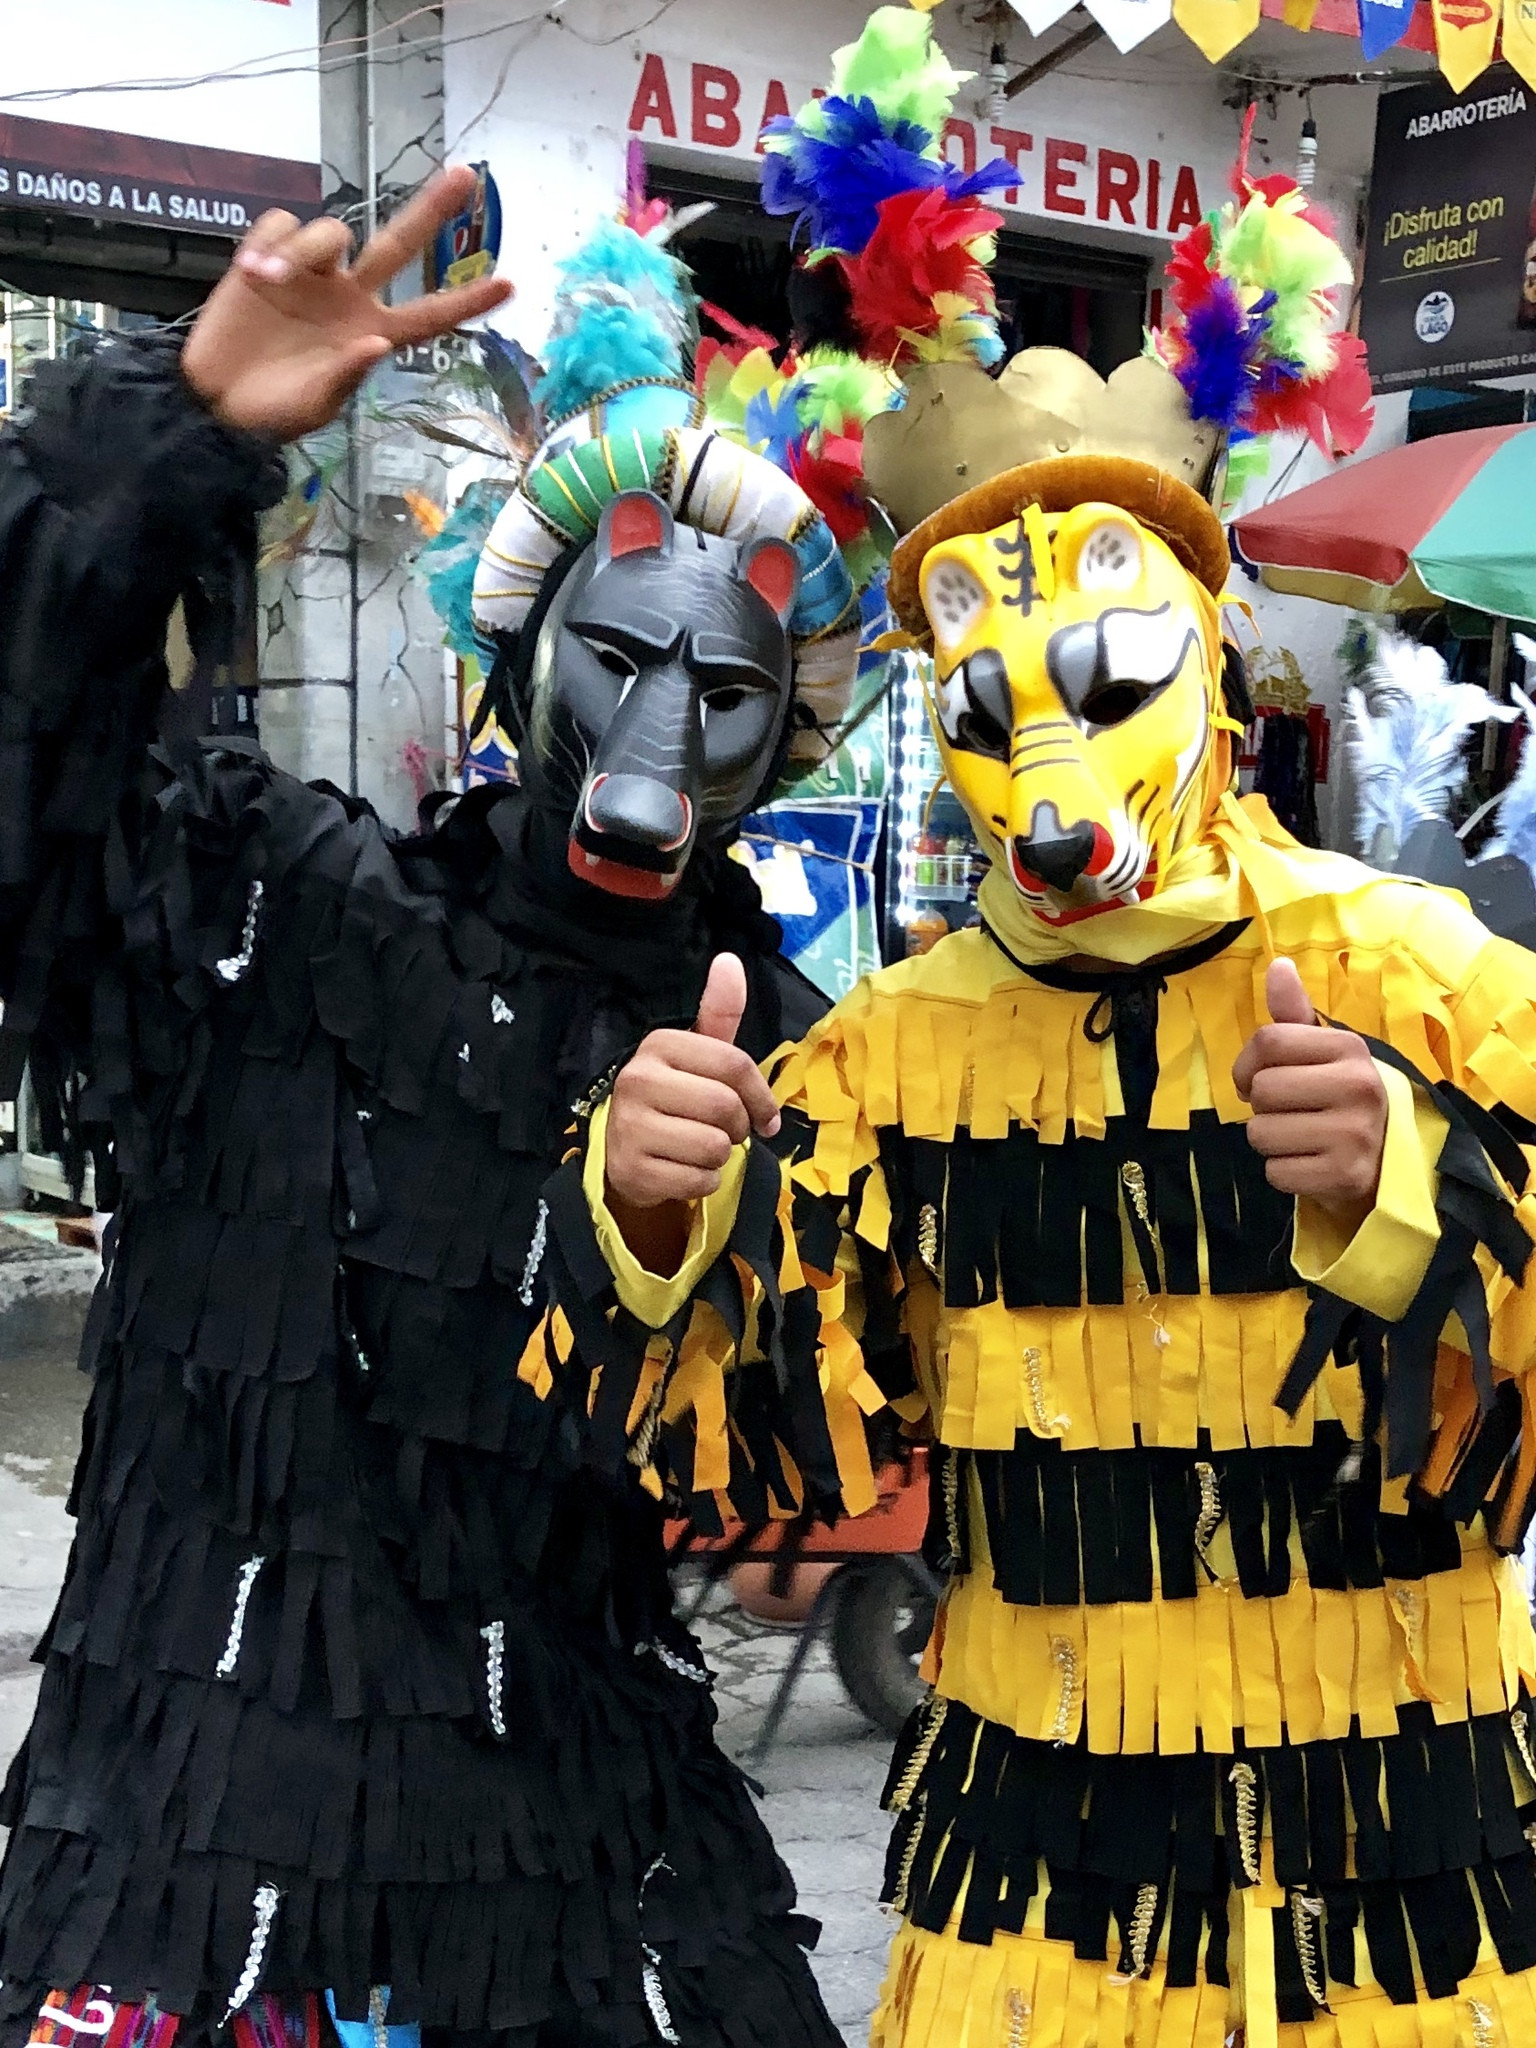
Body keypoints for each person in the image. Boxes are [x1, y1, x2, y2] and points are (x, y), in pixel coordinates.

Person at [544, 79, 1536, 2048]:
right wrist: (657, 1221)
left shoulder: (1427, 974)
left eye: (1106, 681)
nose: (1053, 789)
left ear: (1209, 652)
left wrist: (1413, 1194)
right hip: (1044, 1914)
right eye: (991, 705)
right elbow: (777, 1468)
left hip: (1407, 1893)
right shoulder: (888, 1057)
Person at [0, 166, 881, 2048]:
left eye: (726, 687)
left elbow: (798, 1463)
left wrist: (662, 1234)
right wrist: (163, 451)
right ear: (524, 646)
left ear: (780, 739)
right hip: (190, 1850)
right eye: (623, 654)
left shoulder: (786, 1062)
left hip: (583, 1877)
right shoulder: (278, 905)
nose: (660, 733)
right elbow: (32, 795)